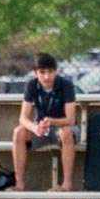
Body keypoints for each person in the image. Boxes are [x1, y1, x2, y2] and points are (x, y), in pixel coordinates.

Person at [12, 53, 78, 191]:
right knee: (19, 132)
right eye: (42, 72)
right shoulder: (31, 85)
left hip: (63, 127)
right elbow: (23, 118)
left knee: (66, 133)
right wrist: (35, 128)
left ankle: (66, 184)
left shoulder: (66, 85)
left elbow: (70, 119)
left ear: (56, 71)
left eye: (50, 72)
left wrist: (52, 121)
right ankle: (19, 184)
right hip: (41, 128)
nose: (46, 77)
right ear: (35, 73)